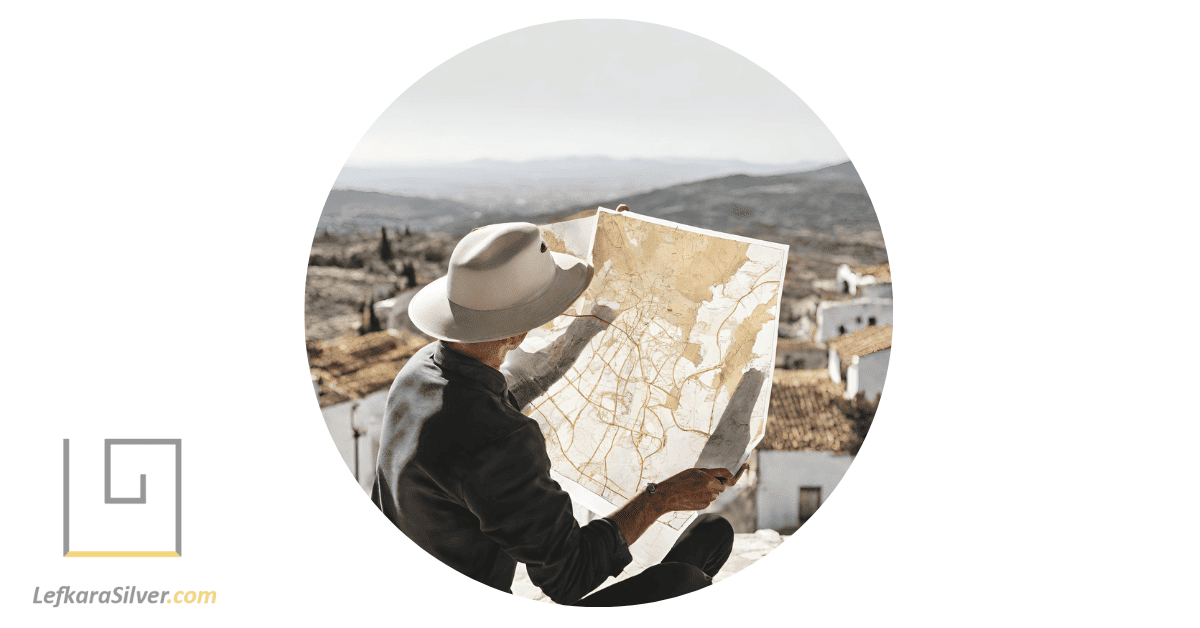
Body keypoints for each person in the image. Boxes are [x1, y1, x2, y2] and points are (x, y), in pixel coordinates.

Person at [372, 210, 748, 606]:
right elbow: (569, 577)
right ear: (516, 334)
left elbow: (522, 383)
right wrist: (661, 498)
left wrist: (595, 312)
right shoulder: (499, 440)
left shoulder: (422, 372)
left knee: (712, 534)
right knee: (684, 580)